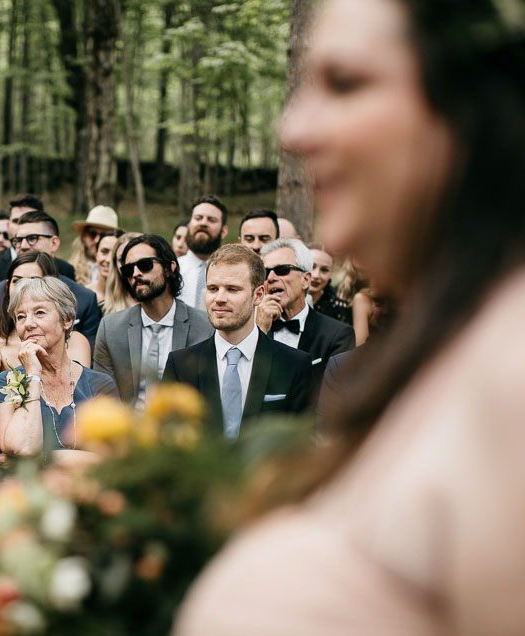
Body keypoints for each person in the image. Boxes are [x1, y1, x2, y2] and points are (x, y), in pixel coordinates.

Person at [179, 2, 525, 629]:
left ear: (468, 109)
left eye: (346, 84)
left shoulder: (513, 374)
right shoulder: (446, 341)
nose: (293, 130)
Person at [159, 245, 315, 438]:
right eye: (213, 288)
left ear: (258, 295)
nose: (219, 298)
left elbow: (301, 443)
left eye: (232, 289)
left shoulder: (294, 365)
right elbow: (166, 441)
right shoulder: (181, 365)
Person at [0, 277, 120, 470]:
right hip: (19, 492)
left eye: (39, 313)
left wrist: (42, 459)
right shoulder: (5, 382)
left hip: (83, 491)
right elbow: (21, 448)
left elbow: (113, 459)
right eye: (20, 317)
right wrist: (32, 374)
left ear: (67, 320)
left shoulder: (99, 384)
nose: (28, 324)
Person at [92, 234, 213, 406]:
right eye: (128, 269)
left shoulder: (205, 327)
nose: (135, 273)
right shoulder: (110, 329)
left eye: (145, 265)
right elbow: (104, 397)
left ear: (169, 268)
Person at [0, 211, 103, 342]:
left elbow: (90, 358)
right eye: (18, 240)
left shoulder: (85, 298)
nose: (22, 246)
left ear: (54, 243)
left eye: (32, 239)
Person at [0, 252, 93, 388]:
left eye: (34, 280)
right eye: (17, 281)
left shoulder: (76, 341)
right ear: (7, 287)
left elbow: (78, 395)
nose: (24, 287)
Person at [256, 238, 355, 381]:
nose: (270, 278)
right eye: (266, 272)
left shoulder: (338, 335)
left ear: (306, 280)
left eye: (282, 270)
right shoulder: (249, 330)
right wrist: (260, 333)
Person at [0, 195, 73, 314]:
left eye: (32, 238)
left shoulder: (65, 269)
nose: (24, 245)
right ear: (8, 226)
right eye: (16, 221)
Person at [176, 195, 230, 307]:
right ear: (189, 225)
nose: (203, 223)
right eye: (198, 218)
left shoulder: (232, 273)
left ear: (223, 231)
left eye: (211, 220)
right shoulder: (173, 269)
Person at [70, 205, 121, 287]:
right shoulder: (69, 271)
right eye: (92, 234)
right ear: (84, 236)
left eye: (104, 235)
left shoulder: (122, 275)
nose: (97, 240)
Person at [305, 243, 353, 326]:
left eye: (324, 270)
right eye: (312, 266)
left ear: (332, 274)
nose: (316, 275)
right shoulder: (284, 301)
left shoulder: (341, 310)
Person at [97, 231, 141, 313]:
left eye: (137, 258)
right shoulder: (103, 309)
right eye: (122, 260)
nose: (128, 264)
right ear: (115, 265)